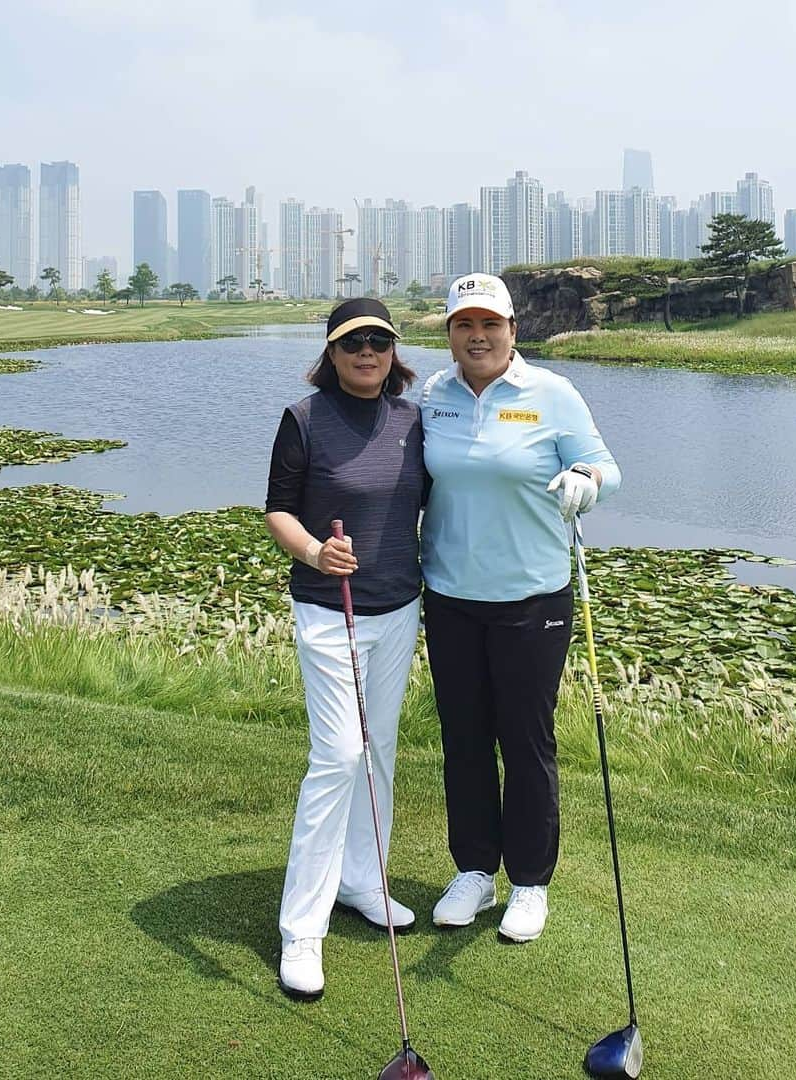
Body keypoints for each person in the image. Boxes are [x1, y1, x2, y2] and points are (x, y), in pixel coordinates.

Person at [420, 273, 621, 943]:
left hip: (531, 598)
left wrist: (584, 482)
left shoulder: (552, 394)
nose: (477, 336)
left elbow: (606, 468)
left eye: (490, 325)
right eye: (463, 325)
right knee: (464, 739)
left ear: (512, 329)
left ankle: (530, 883)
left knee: (526, 742)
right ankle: (475, 871)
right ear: (449, 332)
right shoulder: (434, 395)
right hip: (449, 596)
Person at [265, 297, 425, 1000]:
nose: (367, 352)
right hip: (331, 612)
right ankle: (302, 926)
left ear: (394, 352)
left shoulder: (414, 421)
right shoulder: (304, 419)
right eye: (352, 343)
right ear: (330, 354)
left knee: (379, 748)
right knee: (338, 755)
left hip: (398, 605)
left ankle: (364, 879)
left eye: (379, 342)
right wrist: (313, 550)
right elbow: (278, 507)